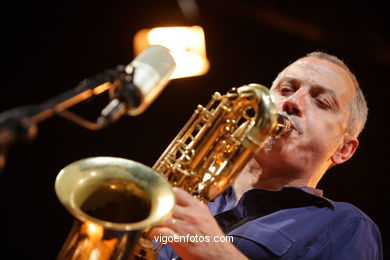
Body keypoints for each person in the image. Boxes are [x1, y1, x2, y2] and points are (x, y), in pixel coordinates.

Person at [151, 52, 383, 259]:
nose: (292, 102)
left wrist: (217, 253)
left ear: (343, 149)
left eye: (321, 101)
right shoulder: (186, 195)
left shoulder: (346, 226)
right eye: (285, 90)